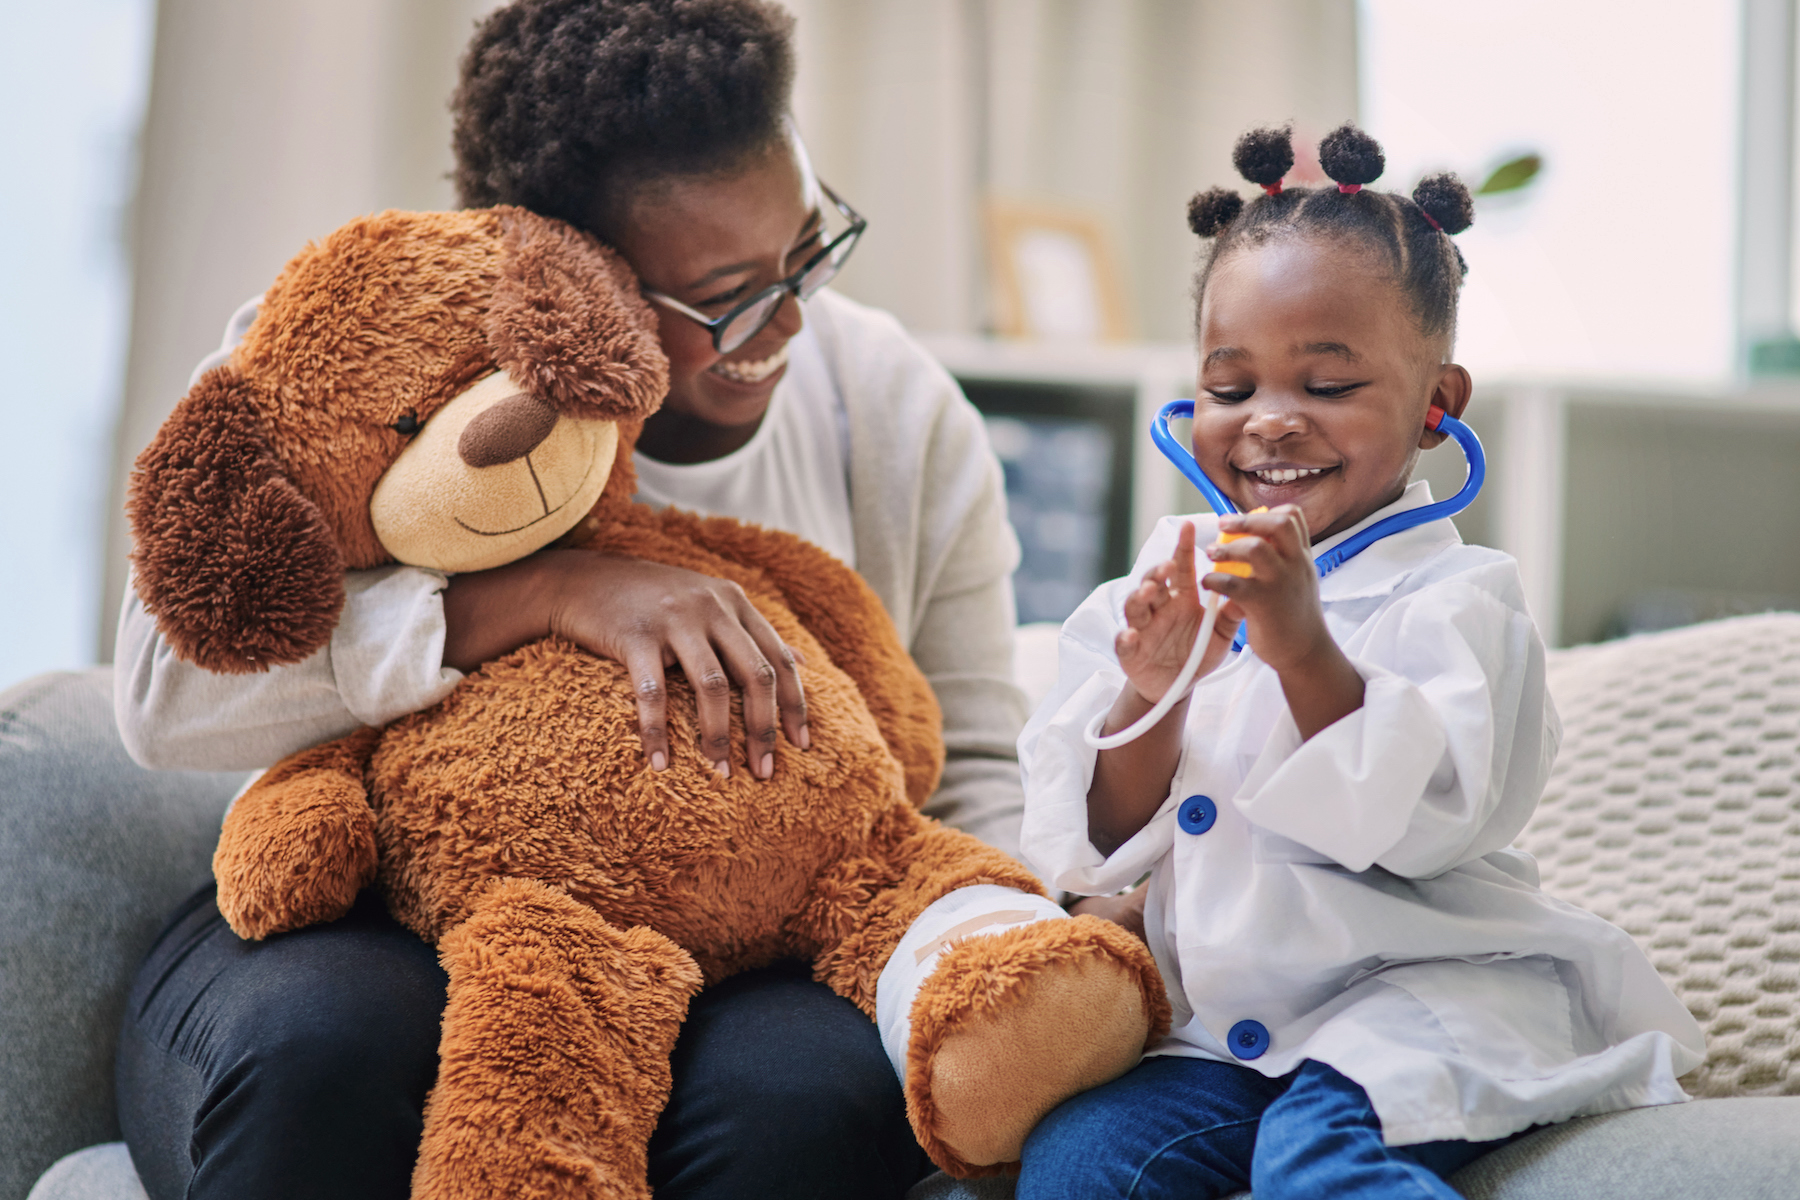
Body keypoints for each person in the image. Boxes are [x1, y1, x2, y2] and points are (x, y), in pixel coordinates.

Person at [112, 3, 1028, 1198]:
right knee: (323, 1051)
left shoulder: (891, 412)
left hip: (740, 936)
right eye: (728, 294)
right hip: (367, 893)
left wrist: (1003, 945)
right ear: (560, 267)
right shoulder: (358, 343)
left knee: (802, 1108)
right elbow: (158, 695)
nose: (792, 318)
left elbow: (975, 762)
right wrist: (536, 593)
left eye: (807, 246)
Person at [1013, 124, 1706, 1200]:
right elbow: (1094, 845)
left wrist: (1301, 650)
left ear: (1440, 404)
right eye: (1231, 387)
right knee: (1081, 1166)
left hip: (1415, 1009)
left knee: (1317, 1167)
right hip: (1220, 1039)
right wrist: (1153, 696)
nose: (1272, 422)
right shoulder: (1160, 580)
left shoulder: (1460, 601)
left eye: (1328, 386)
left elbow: (1421, 821)